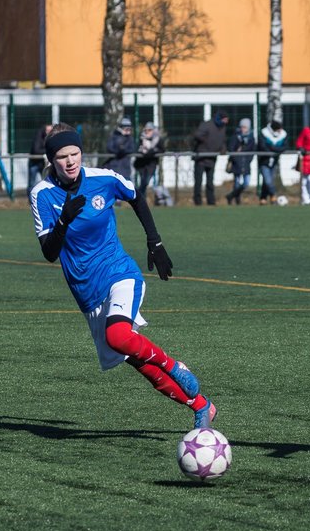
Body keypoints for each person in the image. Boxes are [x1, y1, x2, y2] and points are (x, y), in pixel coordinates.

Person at [30, 124, 217, 429]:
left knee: (118, 336)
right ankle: (202, 406)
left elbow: (136, 196)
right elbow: (50, 252)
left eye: (75, 153)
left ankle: (174, 366)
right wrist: (64, 218)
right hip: (87, 293)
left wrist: (154, 241)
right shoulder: (41, 194)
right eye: (62, 156)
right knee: (135, 359)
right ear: (51, 159)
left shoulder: (103, 178)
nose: (70, 161)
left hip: (119, 272)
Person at [190, 110, 227, 205]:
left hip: (212, 158)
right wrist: (206, 142)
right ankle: (197, 202)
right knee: (198, 182)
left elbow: (222, 141)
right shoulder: (207, 125)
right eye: (225, 119)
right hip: (201, 158)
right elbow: (197, 135)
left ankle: (211, 201)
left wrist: (223, 149)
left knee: (210, 182)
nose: (226, 122)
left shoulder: (222, 128)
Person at [133, 122, 166, 204]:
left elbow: (162, 150)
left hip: (151, 164)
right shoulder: (141, 138)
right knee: (143, 182)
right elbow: (137, 149)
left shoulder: (158, 139)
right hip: (141, 164)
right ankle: (141, 201)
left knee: (145, 181)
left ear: (153, 130)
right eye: (146, 130)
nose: (147, 131)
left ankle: (139, 199)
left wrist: (151, 151)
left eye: (149, 130)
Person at [256, 119, 288, 204]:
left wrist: (272, 148)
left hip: (274, 162)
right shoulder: (264, 133)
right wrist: (275, 150)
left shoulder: (283, 135)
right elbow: (263, 146)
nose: (280, 130)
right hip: (264, 161)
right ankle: (274, 197)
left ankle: (263, 199)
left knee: (267, 181)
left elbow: (284, 147)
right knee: (268, 181)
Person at [224, 118, 254, 205]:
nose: (243, 129)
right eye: (242, 127)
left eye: (245, 127)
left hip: (246, 163)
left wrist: (248, 160)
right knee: (237, 183)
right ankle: (237, 199)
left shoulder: (251, 138)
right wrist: (236, 158)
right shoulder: (235, 137)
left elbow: (252, 151)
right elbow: (231, 149)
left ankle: (230, 195)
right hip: (236, 163)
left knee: (246, 183)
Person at [29, 124, 53, 192]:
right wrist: (47, 151)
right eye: (48, 130)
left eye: (51, 130)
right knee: (32, 183)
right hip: (34, 162)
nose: (49, 132)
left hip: (42, 163)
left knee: (46, 182)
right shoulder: (39, 137)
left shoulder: (50, 138)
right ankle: (31, 200)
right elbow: (36, 150)